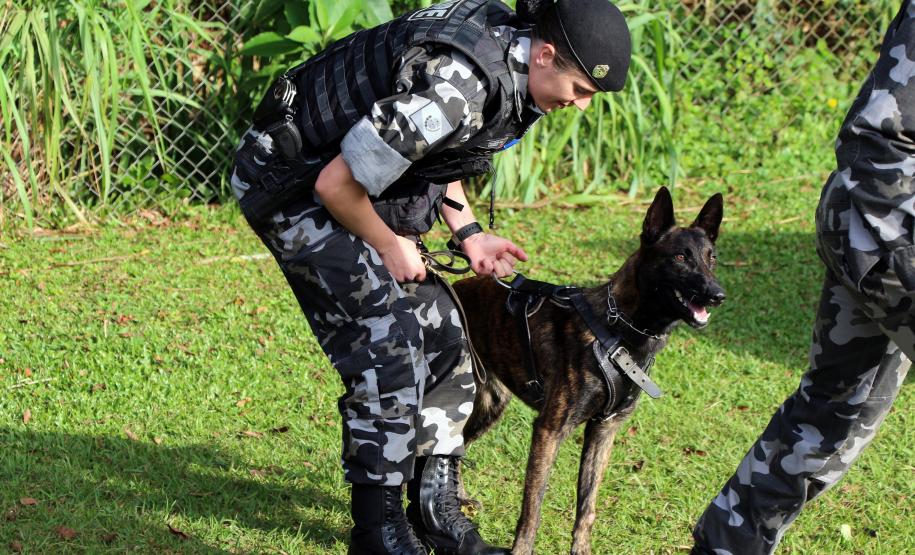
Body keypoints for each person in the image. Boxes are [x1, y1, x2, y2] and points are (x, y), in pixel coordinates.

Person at [229, 0, 632, 553]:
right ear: (545, 54)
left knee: (448, 334)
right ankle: (378, 532)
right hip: (291, 183)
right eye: (581, 90)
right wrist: (390, 244)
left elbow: (440, 154)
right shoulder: (456, 88)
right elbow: (335, 186)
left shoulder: (513, 66)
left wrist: (468, 232)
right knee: (385, 348)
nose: (581, 105)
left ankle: (432, 510)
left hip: (351, 183)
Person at [691, 2, 915, 553]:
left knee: (830, 417)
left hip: (866, 214)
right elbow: (885, 133)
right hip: (888, 217)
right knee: (829, 415)